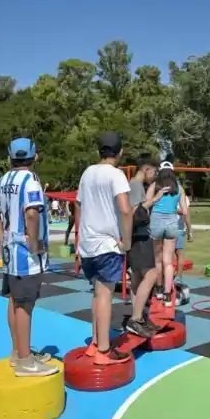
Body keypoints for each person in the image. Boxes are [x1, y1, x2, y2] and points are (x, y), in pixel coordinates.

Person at [0, 138, 58, 377]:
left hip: (10, 250)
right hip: (26, 253)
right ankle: (25, 360)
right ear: (34, 156)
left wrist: (2, 237)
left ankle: (18, 350)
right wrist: (35, 244)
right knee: (25, 304)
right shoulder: (31, 180)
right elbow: (32, 214)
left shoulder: (3, 180)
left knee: (14, 300)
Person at [76, 132, 134, 365]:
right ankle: (103, 350)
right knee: (105, 296)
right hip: (107, 244)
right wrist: (126, 242)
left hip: (88, 244)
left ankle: (94, 343)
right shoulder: (116, 175)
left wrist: (80, 237)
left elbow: (78, 205)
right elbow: (125, 209)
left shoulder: (87, 173)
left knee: (97, 294)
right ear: (119, 152)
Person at [126, 154, 168, 338]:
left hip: (135, 236)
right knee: (151, 274)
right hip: (139, 236)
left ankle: (140, 317)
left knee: (136, 277)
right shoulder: (135, 186)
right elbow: (135, 211)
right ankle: (135, 319)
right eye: (154, 171)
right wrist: (155, 199)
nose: (155, 175)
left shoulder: (133, 185)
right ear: (146, 169)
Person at [147, 162, 187, 305]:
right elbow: (185, 210)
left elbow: (146, 203)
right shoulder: (178, 188)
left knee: (157, 259)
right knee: (168, 261)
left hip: (156, 221)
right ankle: (168, 295)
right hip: (172, 222)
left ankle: (158, 289)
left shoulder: (155, 186)